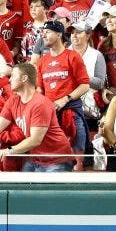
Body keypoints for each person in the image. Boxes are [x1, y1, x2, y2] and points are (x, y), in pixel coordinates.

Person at [0, 62, 75, 172]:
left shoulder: (40, 104)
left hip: (57, 159)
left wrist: (9, 151)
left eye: (13, 76)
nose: (9, 80)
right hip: (35, 159)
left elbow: (35, 140)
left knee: (46, 193)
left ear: (24, 78)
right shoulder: (13, 101)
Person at [36, 19, 90, 169]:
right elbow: (40, 90)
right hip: (50, 116)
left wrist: (64, 99)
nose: (43, 35)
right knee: (51, 160)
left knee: (77, 159)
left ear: (59, 34)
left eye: (47, 32)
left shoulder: (72, 56)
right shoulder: (42, 61)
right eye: (42, 32)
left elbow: (85, 85)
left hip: (71, 113)